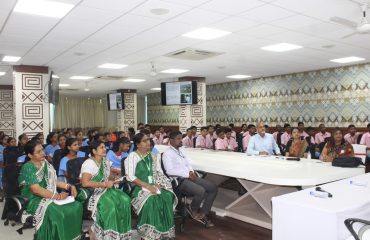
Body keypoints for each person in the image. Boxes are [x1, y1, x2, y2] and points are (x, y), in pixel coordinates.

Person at [18, 140, 82, 239]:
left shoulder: (45, 163)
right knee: (58, 212)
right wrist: (58, 196)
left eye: (42, 150)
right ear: (30, 155)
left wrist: (69, 186)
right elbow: (36, 190)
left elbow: (53, 181)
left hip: (49, 194)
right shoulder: (28, 167)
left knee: (76, 206)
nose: (43, 153)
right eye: (39, 152)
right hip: (34, 199)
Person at [125, 133, 176, 239]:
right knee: (152, 200)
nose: (148, 142)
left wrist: (159, 183)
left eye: (148, 140)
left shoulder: (154, 156)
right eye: (144, 141)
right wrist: (148, 186)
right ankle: (148, 234)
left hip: (153, 186)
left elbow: (159, 173)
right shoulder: (133, 156)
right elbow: (130, 177)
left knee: (167, 196)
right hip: (139, 188)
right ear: (138, 144)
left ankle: (163, 232)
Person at [163, 131, 217, 227]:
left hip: (189, 176)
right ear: (171, 140)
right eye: (178, 139)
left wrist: (191, 171)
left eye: (181, 138)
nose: (181, 141)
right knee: (201, 191)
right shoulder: (167, 154)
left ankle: (204, 212)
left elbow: (188, 163)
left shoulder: (181, 150)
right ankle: (193, 209)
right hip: (179, 181)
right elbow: (169, 171)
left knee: (213, 188)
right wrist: (187, 174)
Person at [80, 141, 132, 239]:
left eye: (104, 147)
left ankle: (120, 233)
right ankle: (101, 233)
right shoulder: (89, 163)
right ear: (94, 151)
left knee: (125, 200)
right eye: (101, 147)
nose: (105, 149)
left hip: (106, 189)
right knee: (111, 206)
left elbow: (108, 177)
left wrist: (115, 178)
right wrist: (104, 184)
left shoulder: (105, 161)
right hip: (93, 192)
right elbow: (85, 183)